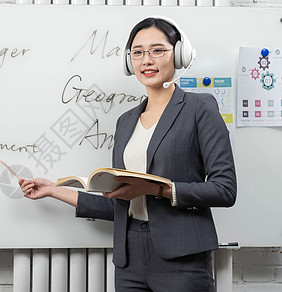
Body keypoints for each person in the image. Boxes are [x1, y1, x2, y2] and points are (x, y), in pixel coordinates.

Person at [18, 16, 236, 292]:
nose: (147, 60)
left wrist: (157, 189)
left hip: (182, 256)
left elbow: (225, 190)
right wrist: (53, 190)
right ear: (128, 61)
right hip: (129, 256)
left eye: (158, 50)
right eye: (138, 52)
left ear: (179, 55)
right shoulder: (126, 121)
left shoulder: (199, 108)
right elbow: (120, 204)